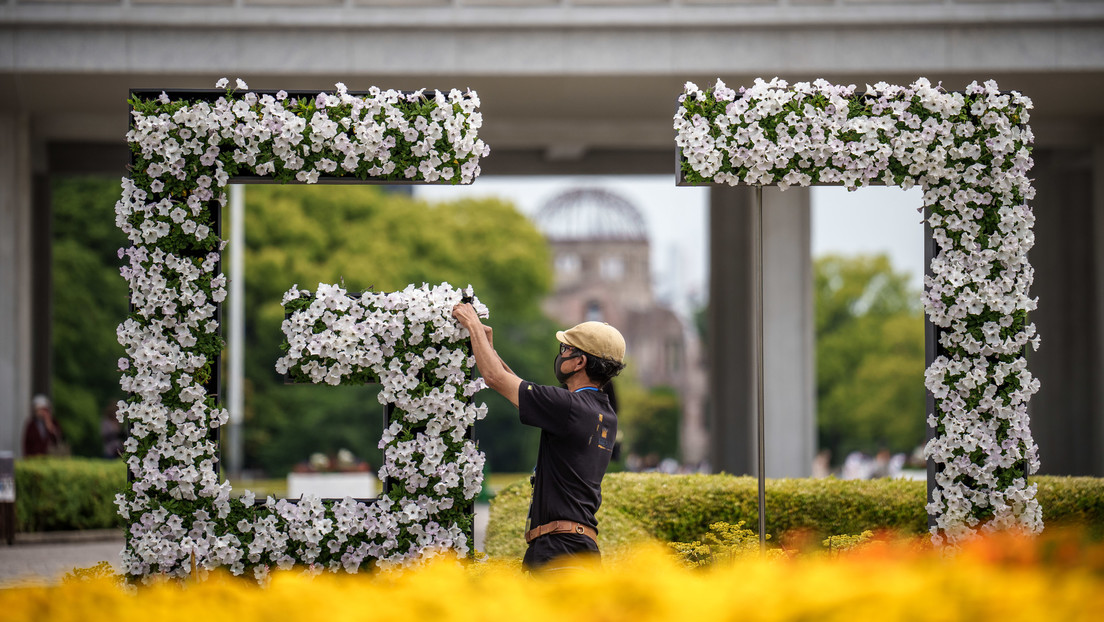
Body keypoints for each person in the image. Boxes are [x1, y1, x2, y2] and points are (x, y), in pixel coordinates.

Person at [452, 303, 625, 572]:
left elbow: (494, 378)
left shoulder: (569, 407)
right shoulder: (603, 412)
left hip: (558, 553)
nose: (561, 355)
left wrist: (472, 324)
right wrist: (487, 347)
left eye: (566, 350)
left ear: (580, 362)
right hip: (580, 550)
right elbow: (516, 385)